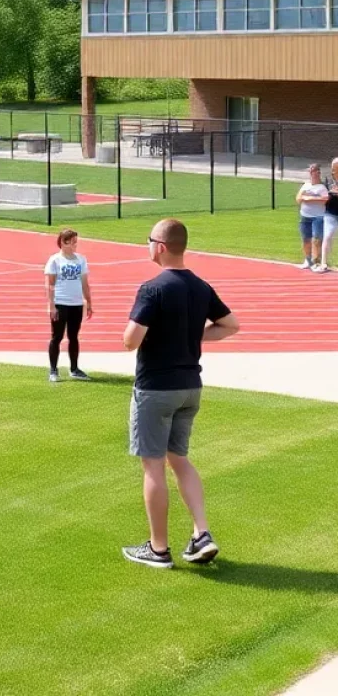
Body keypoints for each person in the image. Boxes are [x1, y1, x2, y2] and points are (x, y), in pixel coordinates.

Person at [121, 218, 240, 569]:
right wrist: (191, 336)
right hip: (191, 388)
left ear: (159, 246)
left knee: (153, 467)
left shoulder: (153, 288)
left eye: (148, 241)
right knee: (180, 460)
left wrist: (172, 335)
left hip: (156, 387)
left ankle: (158, 549)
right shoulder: (201, 286)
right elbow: (230, 325)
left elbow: (130, 340)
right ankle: (201, 533)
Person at [44, 229, 93, 383]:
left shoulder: (81, 260)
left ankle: (74, 369)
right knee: (57, 337)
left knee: (74, 337)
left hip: (76, 304)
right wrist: (51, 305)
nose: (75, 244)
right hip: (60, 303)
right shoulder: (55, 260)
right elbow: (50, 284)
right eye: (72, 241)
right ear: (64, 242)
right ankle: (53, 370)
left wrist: (89, 302)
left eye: (76, 241)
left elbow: (85, 283)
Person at [295, 163, 329, 271]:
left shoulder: (322, 187)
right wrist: (306, 197)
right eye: (312, 171)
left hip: (318, 217)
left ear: (318, 173)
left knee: (317, 239)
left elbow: (325, 199)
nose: (314, 173)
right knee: (306, 239)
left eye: (316, 171)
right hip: (305, 216)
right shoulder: (306, 185)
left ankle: (316, 263)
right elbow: (298, 199)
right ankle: (308, 260)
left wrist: (309, 198)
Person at [321, 157, 338, 273]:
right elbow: (323, 194)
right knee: (327, 236)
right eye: (335, 167)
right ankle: (324, 262)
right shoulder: (328, 180)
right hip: (330, 213)